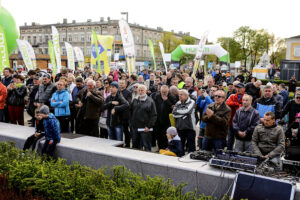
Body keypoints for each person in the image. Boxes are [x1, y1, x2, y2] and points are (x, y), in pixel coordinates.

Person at [130, 84, 157, 151]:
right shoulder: (135, 100)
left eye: (142, 90)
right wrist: (131, 123)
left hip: (145, 128)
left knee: (146, 146)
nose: (140, 92)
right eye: (139, 90)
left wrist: (149, 126)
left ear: (146, 91)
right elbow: (131, 112)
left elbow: (153, 115)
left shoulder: (150, 101)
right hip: (135, 127)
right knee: (135, 146)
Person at [153, 85, 177, 149]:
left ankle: (166, 148)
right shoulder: (157, 96)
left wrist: (167, 100)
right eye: (162, 92)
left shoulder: (172, 97)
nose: (163, 93)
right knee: (158, 135)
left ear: (168, 91)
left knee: (166, 135)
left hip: (167, 120)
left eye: (165, 92)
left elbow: (173, 108)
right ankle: (160, 148)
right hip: (158, 119)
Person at [226, 82, 245, 150]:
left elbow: (243, 107)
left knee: (239, 140)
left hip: (241, 123)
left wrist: (234, 105)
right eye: (237, 88)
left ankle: (237, 153)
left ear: (243, 89)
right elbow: (227, 103)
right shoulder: (232, 96)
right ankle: (229, 152)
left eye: (240, 88)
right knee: (230, 139)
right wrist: (237, 104)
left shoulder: (246, 97)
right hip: (231, 121)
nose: (238, 89)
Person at [119, 80, 132, 147]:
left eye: (122, 83)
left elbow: (129, 103)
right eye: (120, 83)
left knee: (126, 130)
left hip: (125, 115)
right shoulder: (117, 91)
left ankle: (127, 143)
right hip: (118, 114)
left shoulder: (128, 92)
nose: (121, 84)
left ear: (126, 85)